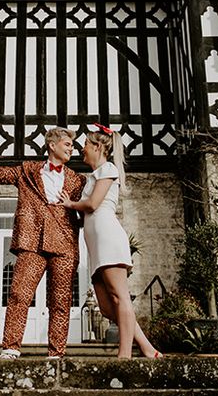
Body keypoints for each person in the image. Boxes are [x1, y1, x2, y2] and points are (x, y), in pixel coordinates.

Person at [0, 128, 85, 359]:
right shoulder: (27, 171)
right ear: (52, 145)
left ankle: (56, 353)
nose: (71, 148)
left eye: (72, 145)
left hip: (64, 245)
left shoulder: (78, 180)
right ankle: (11, 347)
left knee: (61, 301)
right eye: (67, 144)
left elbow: (88, 210)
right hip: (31, 242)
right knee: (18, 294)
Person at [58, 123, 162, 359]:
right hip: (95, 246)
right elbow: (85, 215)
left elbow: (93, 205)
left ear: (97, 146)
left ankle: (124, 355)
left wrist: (71, 204)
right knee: (106, 307)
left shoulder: (108, 169)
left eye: (85, 144)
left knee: (120, 297)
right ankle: (147, 347)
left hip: (109, 239)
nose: (81, 149)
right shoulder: (92, 177)